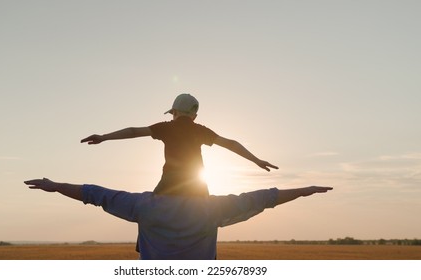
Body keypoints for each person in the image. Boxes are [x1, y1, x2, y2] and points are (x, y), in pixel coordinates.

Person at [24, 178, 332, 260]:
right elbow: (265, 197)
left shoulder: (144, 205)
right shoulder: (212, 208)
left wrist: (55, 186)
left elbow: (94, 193)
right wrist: (306, 190)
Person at [81, 93, 278, 196]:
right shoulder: (201, 130)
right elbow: (231, 144)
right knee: (206, 218)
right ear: (194, 115)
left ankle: (143, 251)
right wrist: (256, 160)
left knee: (149, 213)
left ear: (174, 112)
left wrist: (104, 137)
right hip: (196, 183)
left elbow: (133, 131)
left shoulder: (166, 127)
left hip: (170, 181)